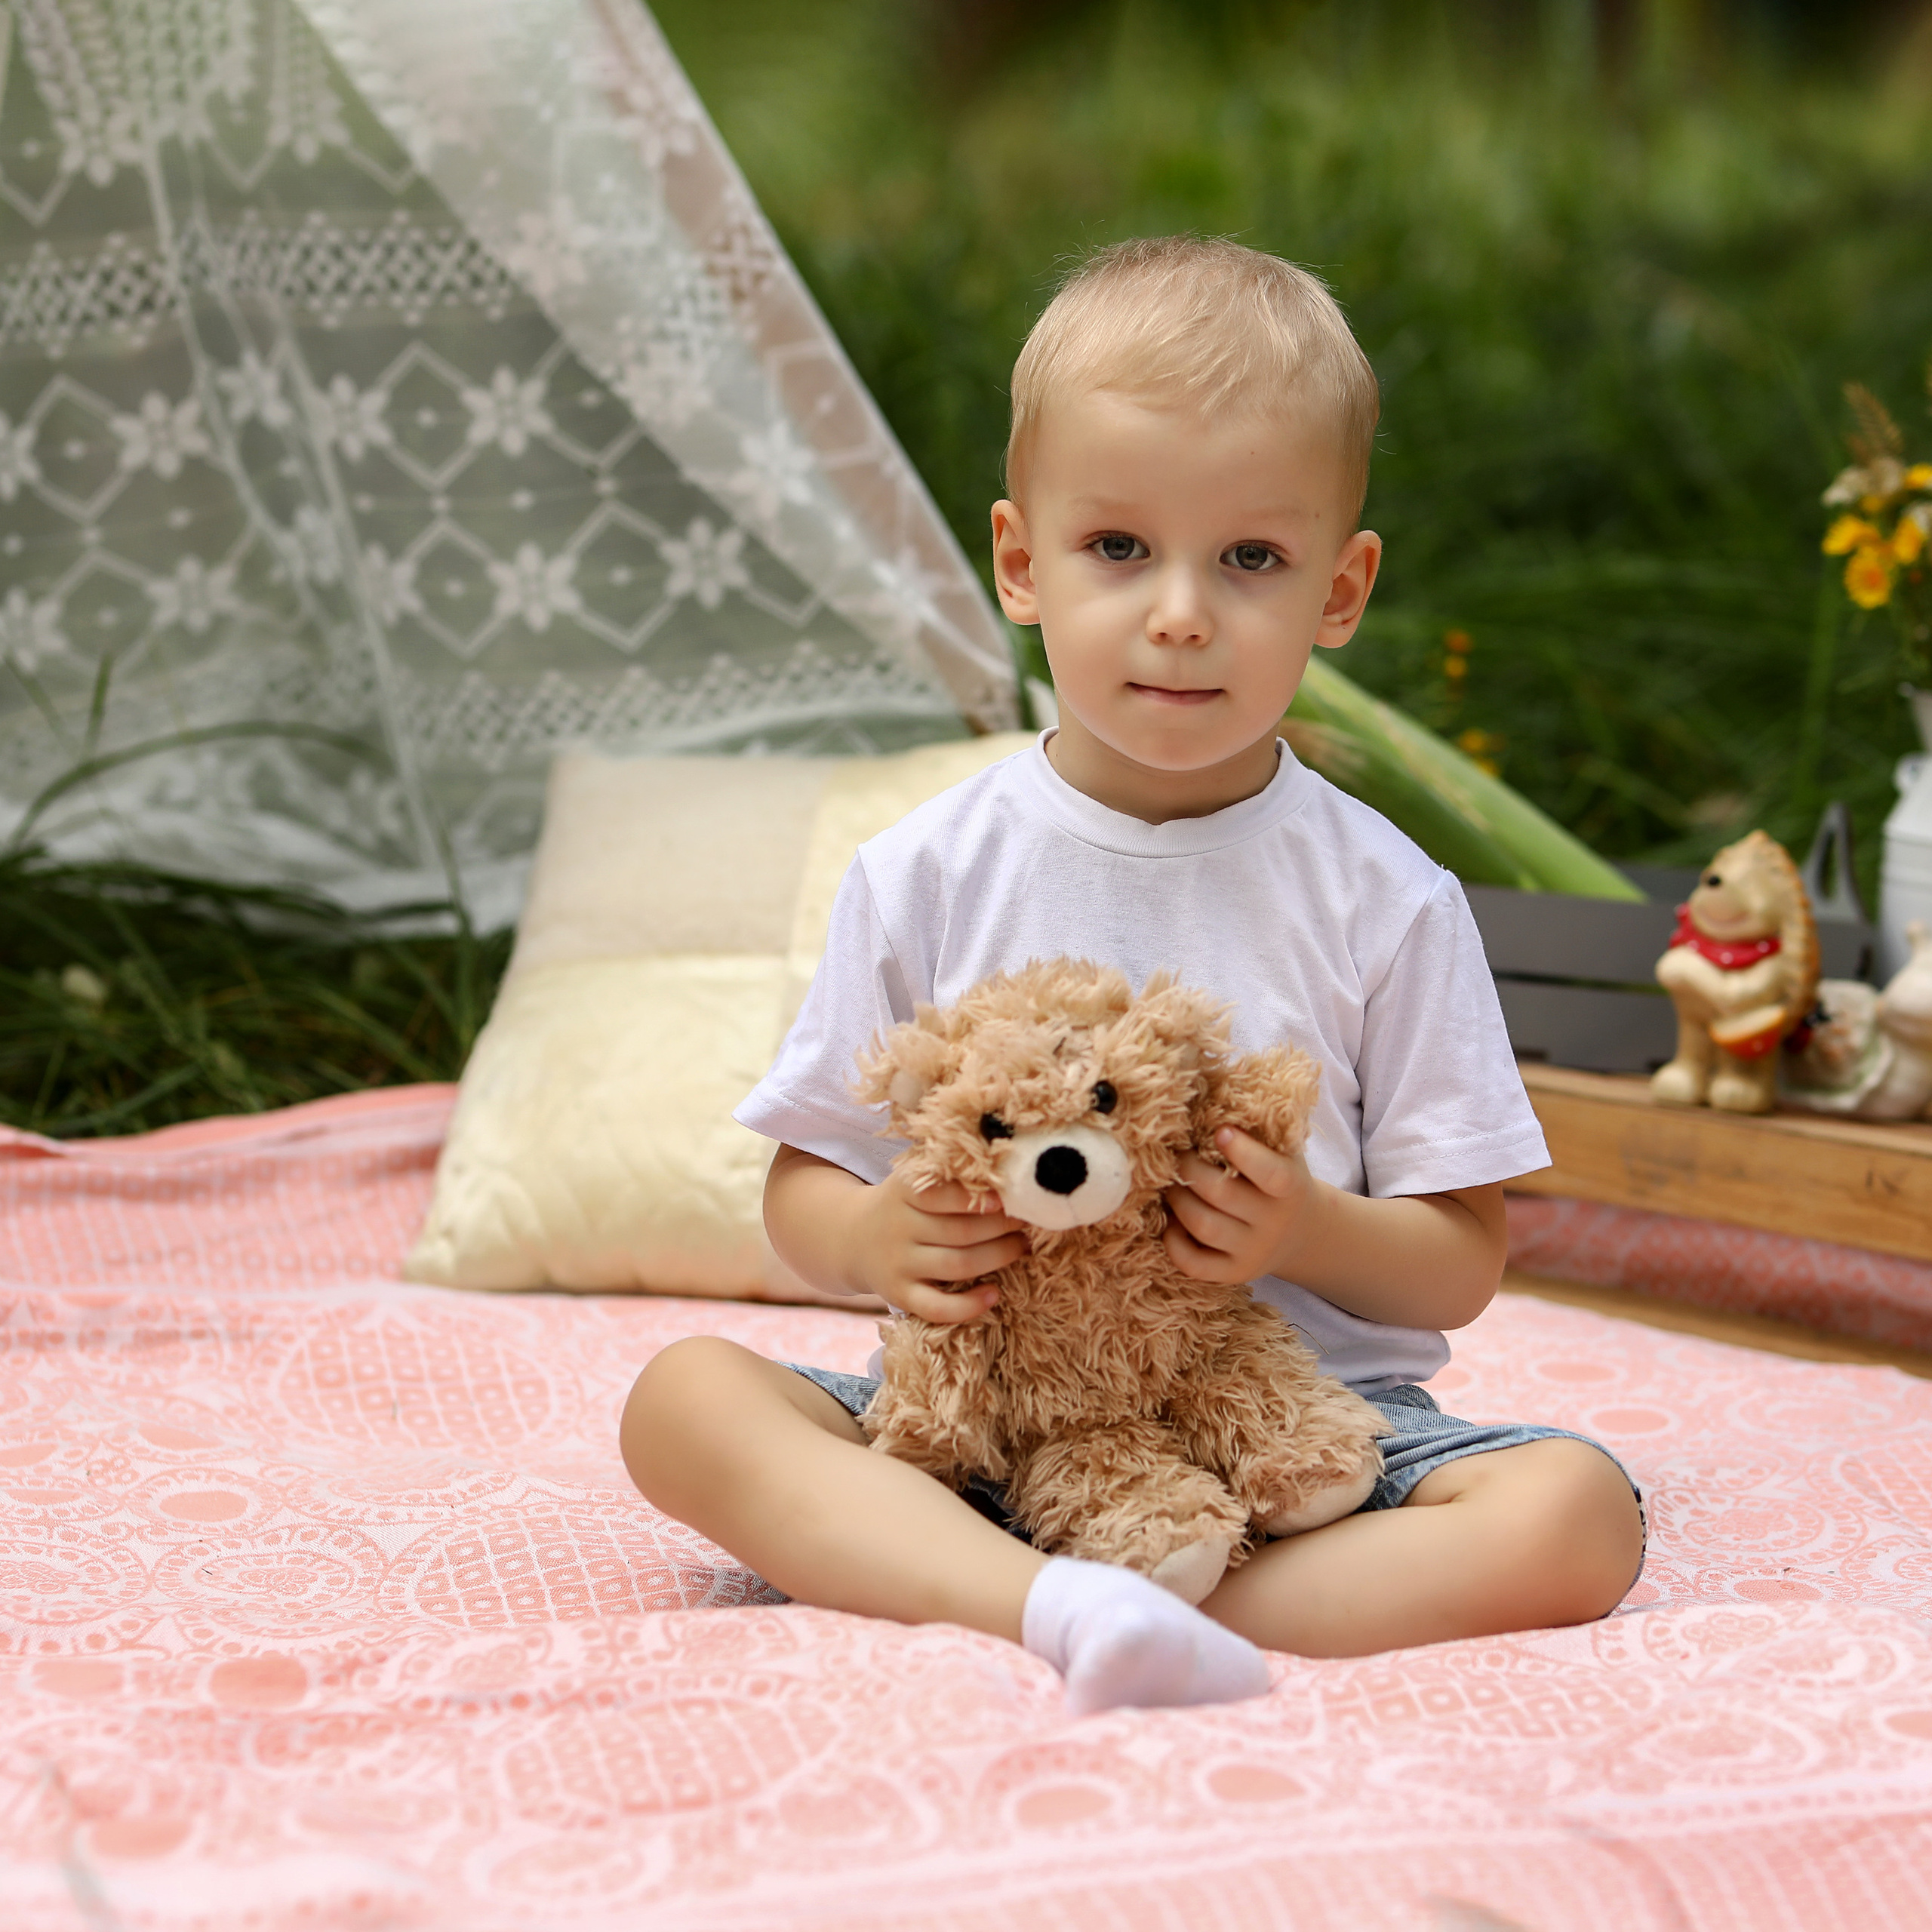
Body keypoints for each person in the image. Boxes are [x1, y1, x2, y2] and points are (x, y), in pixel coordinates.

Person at [621, 236, 1645, 1716]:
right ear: (1019, 564)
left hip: (1306, 1444)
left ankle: (1096, 1592)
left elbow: (1458, 1254)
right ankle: (1058, 1595)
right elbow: (802, 1190)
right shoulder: (923, 869)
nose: (1178, 612)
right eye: (1116, 548)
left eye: (1249, 558)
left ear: (1338, 590)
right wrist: (876, 1237)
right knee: (683, 1399)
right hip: (987, 1427)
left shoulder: (1383, 895)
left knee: (1575, 1512)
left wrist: (1301, 1223)